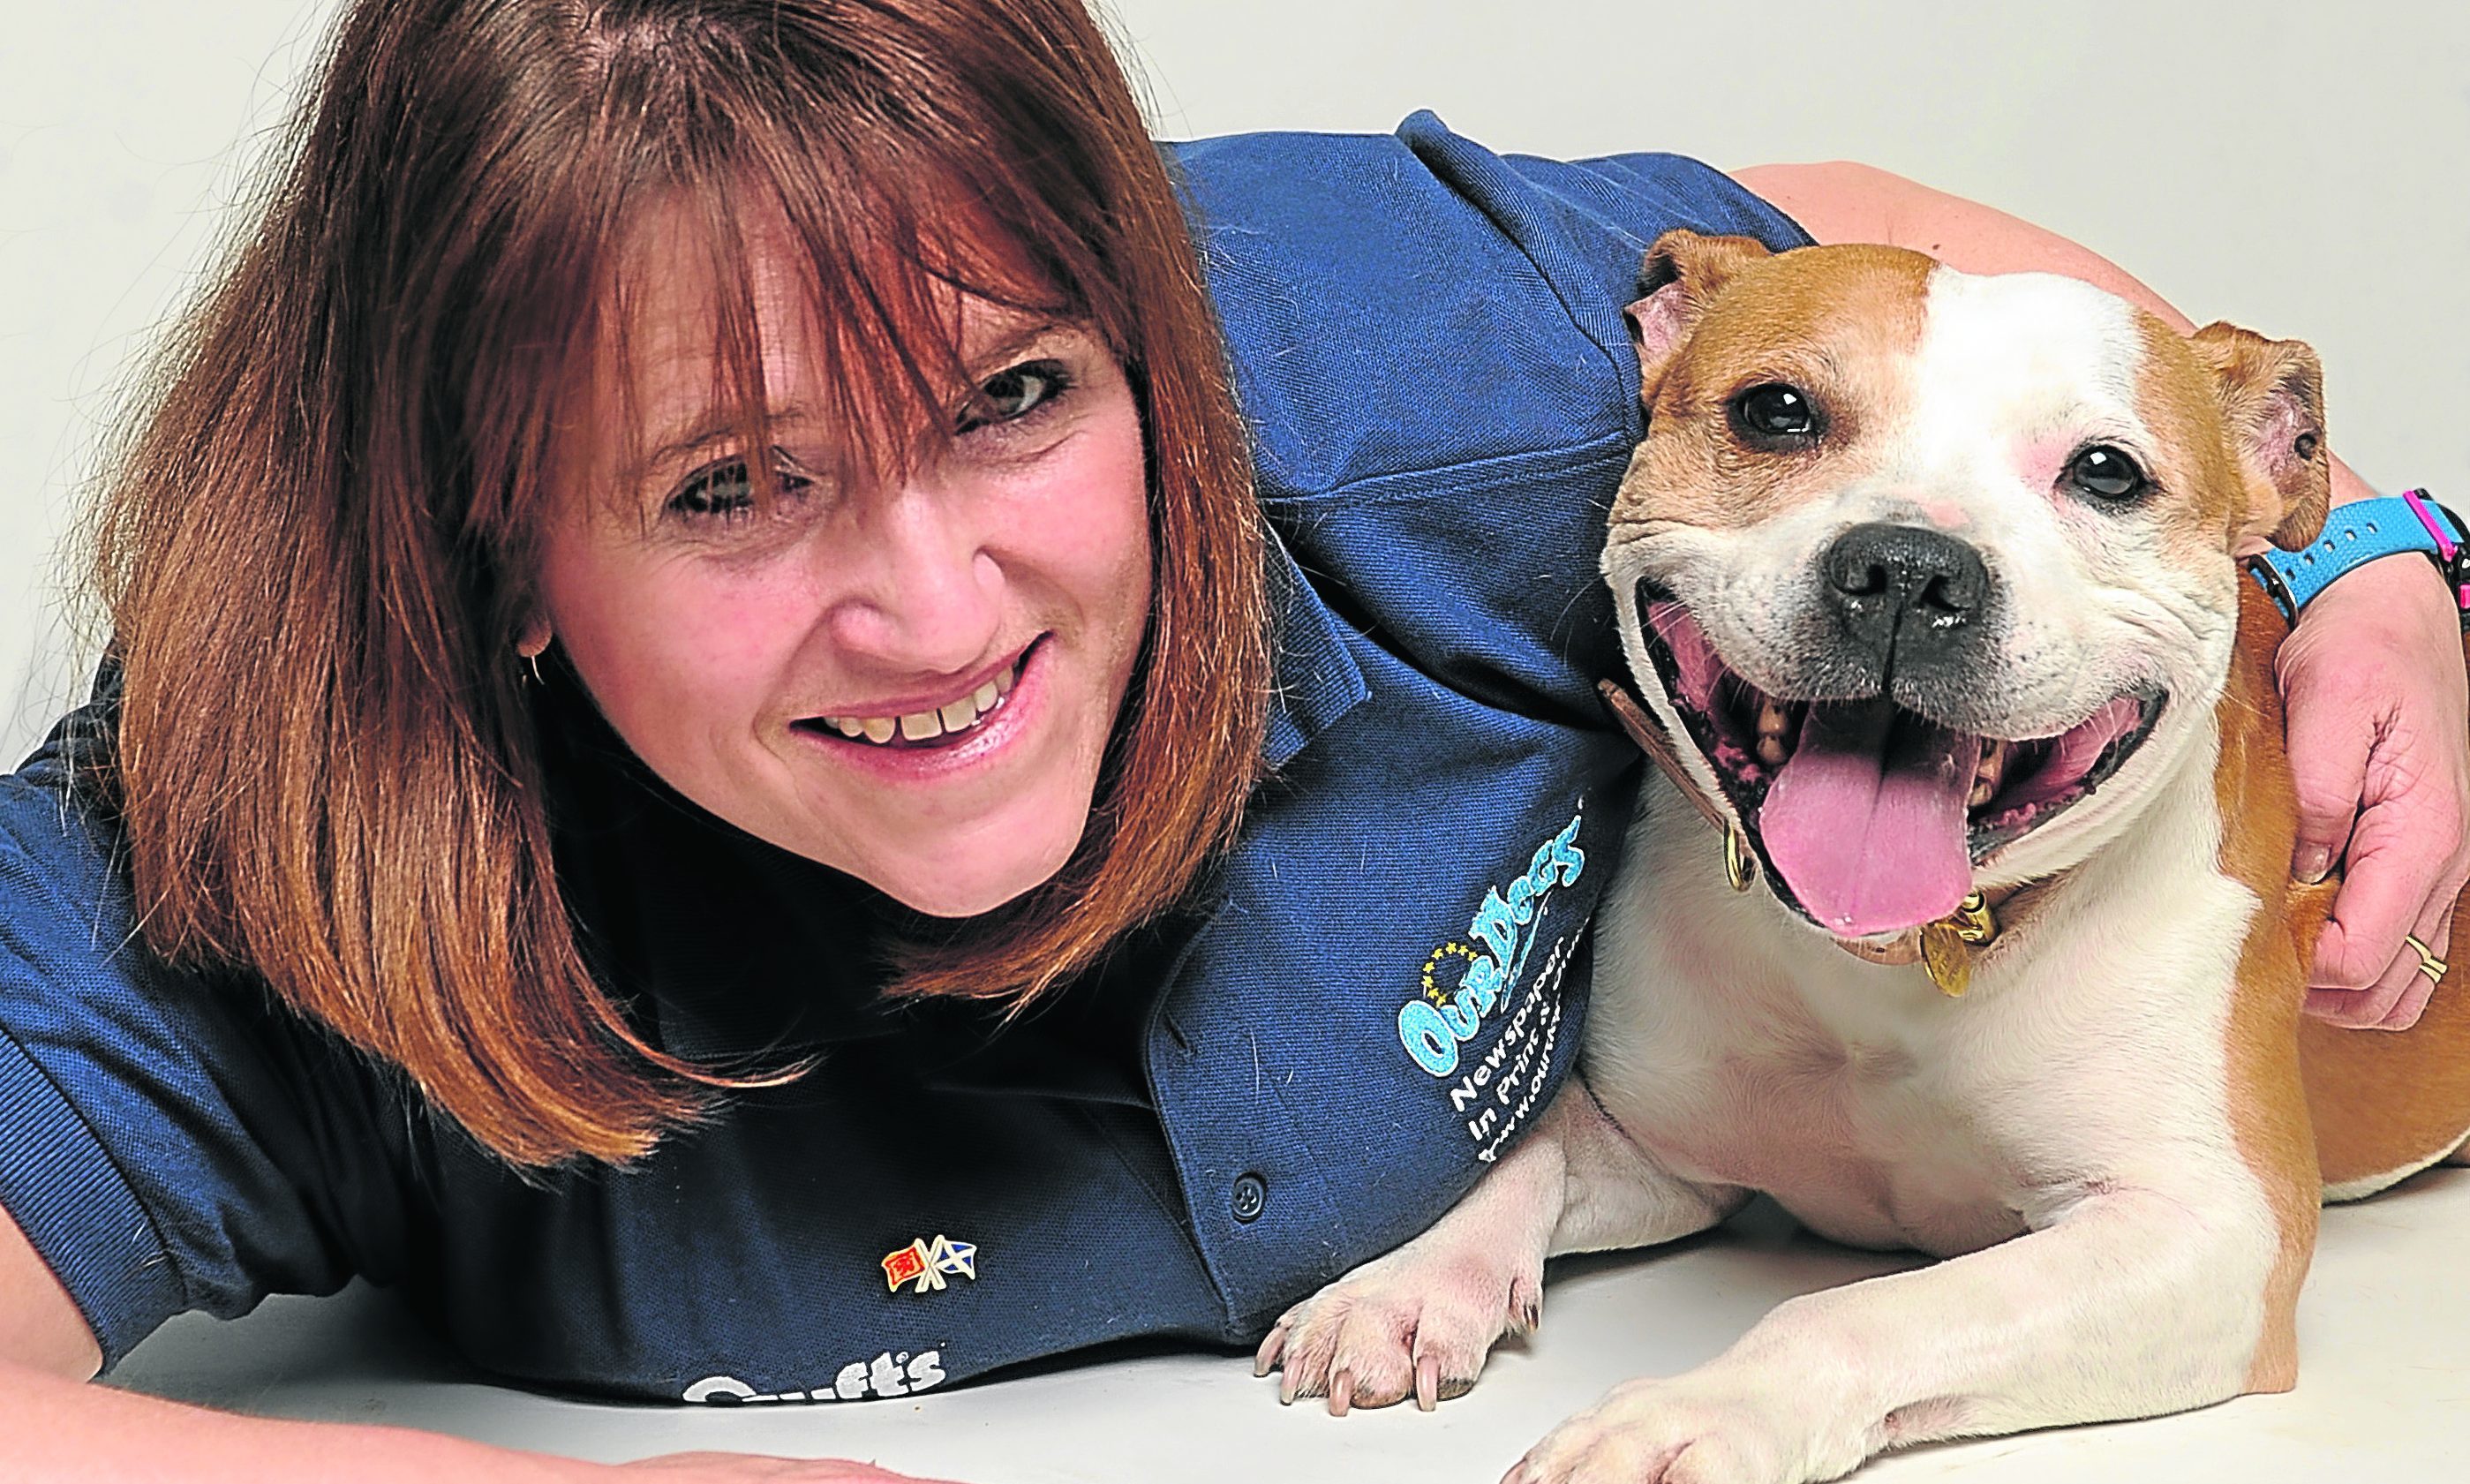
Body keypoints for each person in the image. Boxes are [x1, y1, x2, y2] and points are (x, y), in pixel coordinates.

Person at [3, 1, 2462, 1479]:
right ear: (486, 525)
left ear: (1160, 332)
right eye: (729, 482)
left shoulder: (1424, 389)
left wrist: (2363, 565)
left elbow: (1867, 251)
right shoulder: (239, 855)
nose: (938, 607)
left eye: (1016, 396)